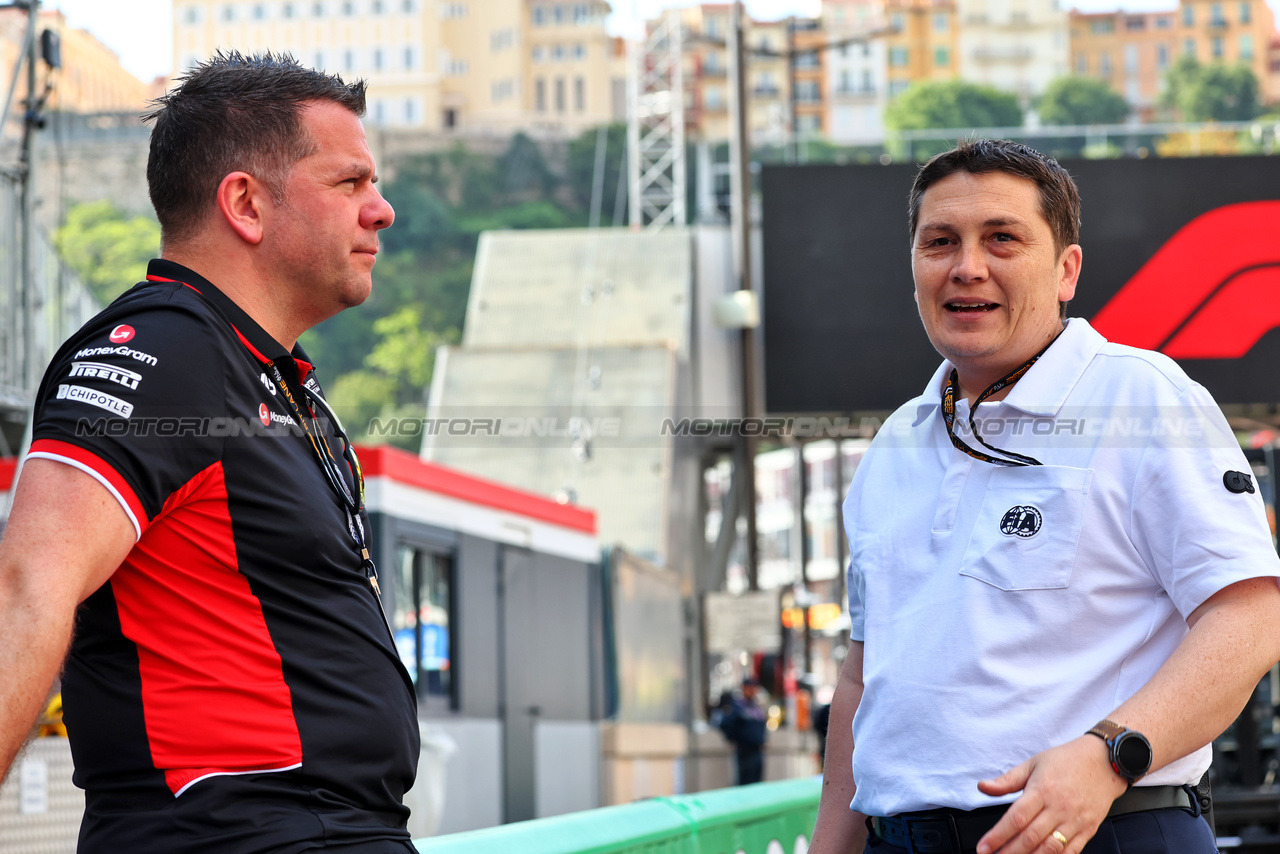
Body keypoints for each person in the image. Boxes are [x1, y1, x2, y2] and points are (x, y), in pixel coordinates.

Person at [810, 138, 1280, 854]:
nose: (968, 267)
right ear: (914, 269)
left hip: (1104, 829)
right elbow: (859, 678)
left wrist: (1108, 754)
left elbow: (1250, 618)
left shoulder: (1140, 396)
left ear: (1067, 270)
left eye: (1002, 238)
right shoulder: (893, 447)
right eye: (940, 242)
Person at [0, 53, 419, 853]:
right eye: (350, 183)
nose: (382, 210)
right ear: (245, 203)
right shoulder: (162, 351)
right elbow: (25, 588)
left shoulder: (272, 378)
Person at [718, 677, 768, 785]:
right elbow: (725, 724)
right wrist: (733, 739)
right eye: (750, 688)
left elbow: (761, 726)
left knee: (756, 782)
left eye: (754, 688)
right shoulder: (737, 707)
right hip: (745, 751)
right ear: (744, 689)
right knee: (745, 781)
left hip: (757, 750)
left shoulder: (756, 707)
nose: (752, 691)